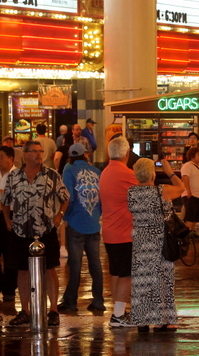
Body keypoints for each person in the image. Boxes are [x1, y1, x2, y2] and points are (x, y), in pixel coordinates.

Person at [2, 140, 70, 327]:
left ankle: (53, 310)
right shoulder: (14, 176)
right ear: (24, 155)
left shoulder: (52, 175)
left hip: (45, 230)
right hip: (20, 231)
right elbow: (5, 201)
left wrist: (59, 215)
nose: (39, 155)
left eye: (40, 152)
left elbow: (65, 197)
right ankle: (25, 310)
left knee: (50, 270)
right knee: (22, 271)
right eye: (34, 152)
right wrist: (8, 220)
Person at [128, 158, 184, 332]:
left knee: (142, 281)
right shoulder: (162, 191)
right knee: (162, 279)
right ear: (153, 173)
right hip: (160, 241)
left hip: (140, 242)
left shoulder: (131, 192)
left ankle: (142, 319)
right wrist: (169, 172)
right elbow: (182, 188)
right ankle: (163, 319)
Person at [99, 136, 142, 327]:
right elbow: (146, 190)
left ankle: (118, 312)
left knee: (116, 274)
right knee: (126, 275)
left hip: (109, 231)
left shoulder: (106, 172)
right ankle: (118, 316)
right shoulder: (126, 173)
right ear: (126, 153)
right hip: (124, 232)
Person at [58, 143, 104, 312]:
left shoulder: (69, 171)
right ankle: (98, 301)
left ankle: (71, 302)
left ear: (70, 156)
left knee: (75, 264)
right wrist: (97, 215)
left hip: (76, 223)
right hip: (93, 224)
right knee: (95, 264)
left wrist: (65, 216)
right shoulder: (97, 172)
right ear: (85, 154)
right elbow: (102, 197)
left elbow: (67, 196)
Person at [0, 145, 18, 302]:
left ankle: (9, 289)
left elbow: (10, 197)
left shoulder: (17, 175)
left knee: (10, 253)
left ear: (11, 159)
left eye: (1, 157)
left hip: (11, 215)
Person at [180, 147, 199, 235]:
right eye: (198, 155)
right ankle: (187, 236)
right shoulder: (187, 165)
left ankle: (192, 233)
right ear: (192, 155)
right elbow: (185, 178)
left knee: (196, 217)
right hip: (192, 195)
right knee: (190, 217)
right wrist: (189, 191)